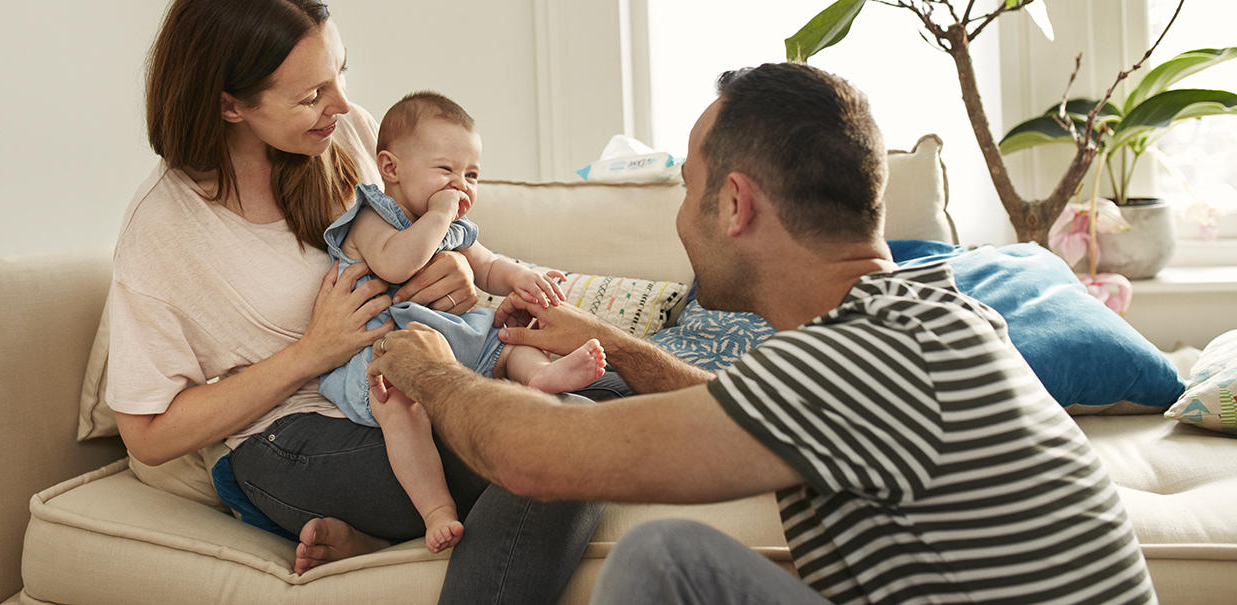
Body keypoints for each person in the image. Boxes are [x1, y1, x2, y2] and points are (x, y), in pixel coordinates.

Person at [371, 62, 1157, 605]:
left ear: (736, 205)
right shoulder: (915, 318)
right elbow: (741, 411)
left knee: (660, 559)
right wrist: (620, 342)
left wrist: (432, 369)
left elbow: (534, 458)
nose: (681, 217)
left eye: (687, 189)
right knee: (675, 559)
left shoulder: (855, 359)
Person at [105, 0, 604, 601]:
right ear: (230, 104)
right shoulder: (163, 232)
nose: (341, 105)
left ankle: (373, 541)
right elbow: (147, 436)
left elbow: (432, 234)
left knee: (609, 391)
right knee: (566, 443)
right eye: (311, 94)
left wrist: (448, 274)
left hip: (409, 382)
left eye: (340, 71)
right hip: (289, 437)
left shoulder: (345, 135)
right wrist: (309, 353)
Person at [319, 90, 608, 553]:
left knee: (509, 335)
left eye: (471, 174)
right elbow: (397, 265)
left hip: (450, 341)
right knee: (401, 411)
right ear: (391, 169)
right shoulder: (371, 217)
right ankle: (436, 510)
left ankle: (540, 378)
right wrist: (437, 216)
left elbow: (487, 264)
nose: (461, 185)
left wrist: (523, 277)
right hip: (386, 351)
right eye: (446, 171)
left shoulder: (452, 224)